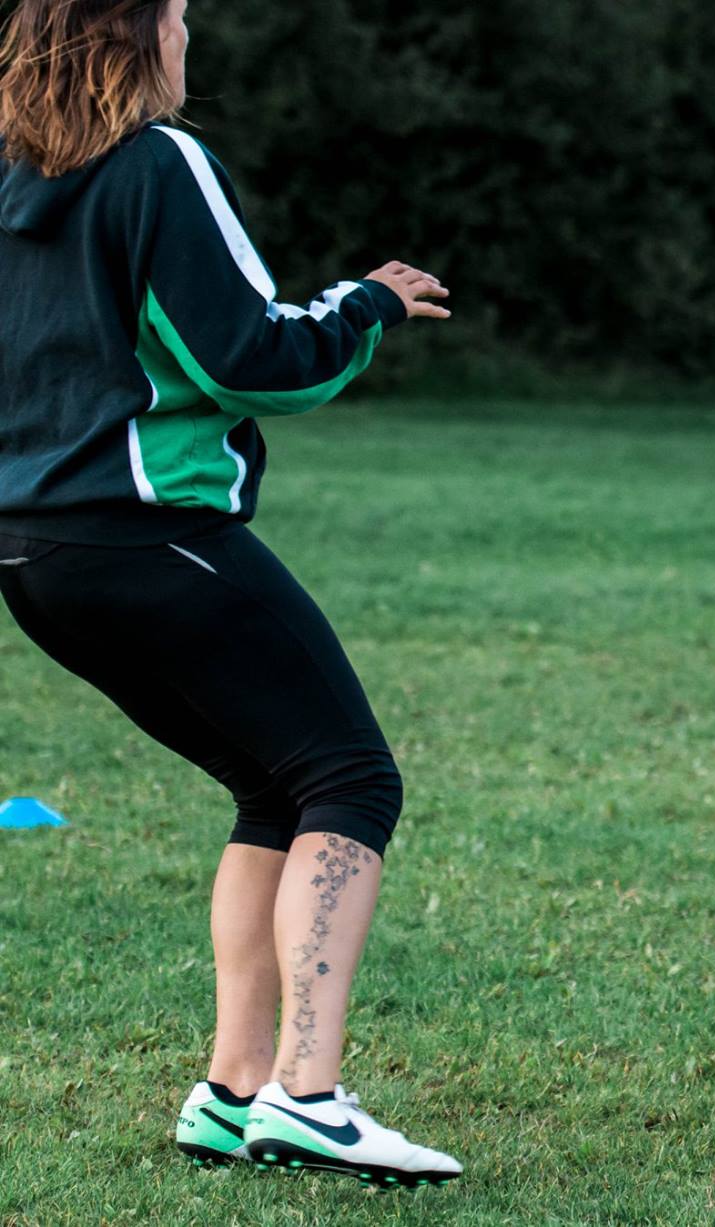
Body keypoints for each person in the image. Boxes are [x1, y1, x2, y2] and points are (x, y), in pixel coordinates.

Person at [0, 0, 460, 1187]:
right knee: (351, 777)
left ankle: (231, 1091)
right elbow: (246, 354)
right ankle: (309, 1096)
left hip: (35, 560)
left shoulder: (11, 178)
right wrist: (362, 306)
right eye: (181, 14)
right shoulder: (160, 160)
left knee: (274, 780)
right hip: (147, 539)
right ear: (138, 32)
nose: (189, 34)